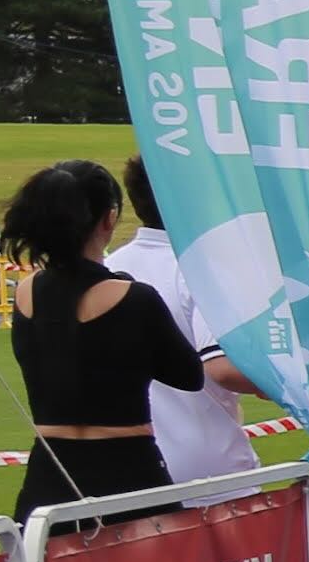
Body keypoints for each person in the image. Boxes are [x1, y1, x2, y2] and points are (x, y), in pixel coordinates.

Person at [1, 159, 254, 519]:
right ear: (108, 219)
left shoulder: (26, 293)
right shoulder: (134, 298)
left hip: (49, 472)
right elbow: (188, 374)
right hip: (127, 470)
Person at [107, 162, 257, 478]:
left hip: (131, 465)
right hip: (209, 470)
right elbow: (221, 368)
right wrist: (293, 386)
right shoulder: (205, 268)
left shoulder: (110, 267)